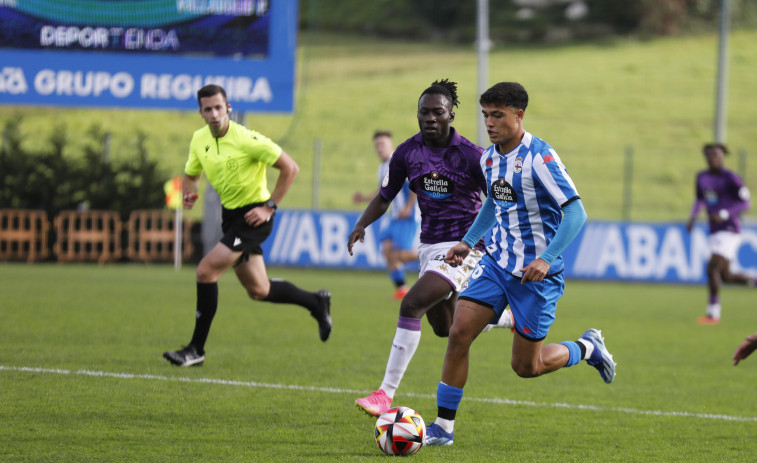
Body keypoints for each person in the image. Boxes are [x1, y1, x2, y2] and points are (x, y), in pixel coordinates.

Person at [424, 82, 616, 446]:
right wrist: (467, 242)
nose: (490, 124)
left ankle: (587, 347)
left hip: (536, 278)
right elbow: (494, 205)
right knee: (458, 333)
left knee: (527, 368)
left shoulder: (540, 158)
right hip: (497, 265)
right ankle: (443, 429)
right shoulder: (489, 158)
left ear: (519, 115)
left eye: (497, 115)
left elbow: (576, 212)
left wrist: (546, 258)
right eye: (485, 116)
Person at [347, 79, 514, 417]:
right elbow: (385, 195)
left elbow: (498, 201)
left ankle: (384, 394)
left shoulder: (471, 155)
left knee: (411, 304)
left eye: (438, 112)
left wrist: (501, 242)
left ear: (451, 114)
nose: (430, 118)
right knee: (446, 328)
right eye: (424, 112)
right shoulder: (407, 152)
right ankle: (505, 318)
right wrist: (362, 224)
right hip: (429, 247)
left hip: (466, 248)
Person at [163, 84, 332, 367]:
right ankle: (316, 303)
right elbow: (192, 174)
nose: (215, 114)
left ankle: (196, 350)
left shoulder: (247, 139)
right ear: (201, 113)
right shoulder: (199, 139)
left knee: (205, 272)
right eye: (208, 109)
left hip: (254, 218)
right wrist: (190, 192)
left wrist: (269, 207)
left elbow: (291, 168)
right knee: (259, 290)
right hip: (231, 218)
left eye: (219, 107)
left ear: (228, 107)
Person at [686, 143, 754, 325]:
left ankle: (712, 314)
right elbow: (700, 198)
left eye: (717, 155)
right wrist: (693, 217)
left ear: (722, 157)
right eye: (710, 155)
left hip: (730, 229)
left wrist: (725, 213)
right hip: (714, 231)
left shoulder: (731, 178)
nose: (713, 158)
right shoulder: (702, 177)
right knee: (726, 276)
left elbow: (746, 203)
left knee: (712, 268)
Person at [353, 131, 421, 299]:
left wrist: (408, 206)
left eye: (383, 144)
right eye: (377, 145)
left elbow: (416, 184)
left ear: (391, 145)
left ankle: (435, 255)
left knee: (401, 254)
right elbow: (383, 190)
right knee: (387, 251)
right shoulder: (382, 167)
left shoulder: (398, 162)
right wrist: (365, 198)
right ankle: (402, 288)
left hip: (408, 215)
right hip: (395, 216)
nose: (380, 148)